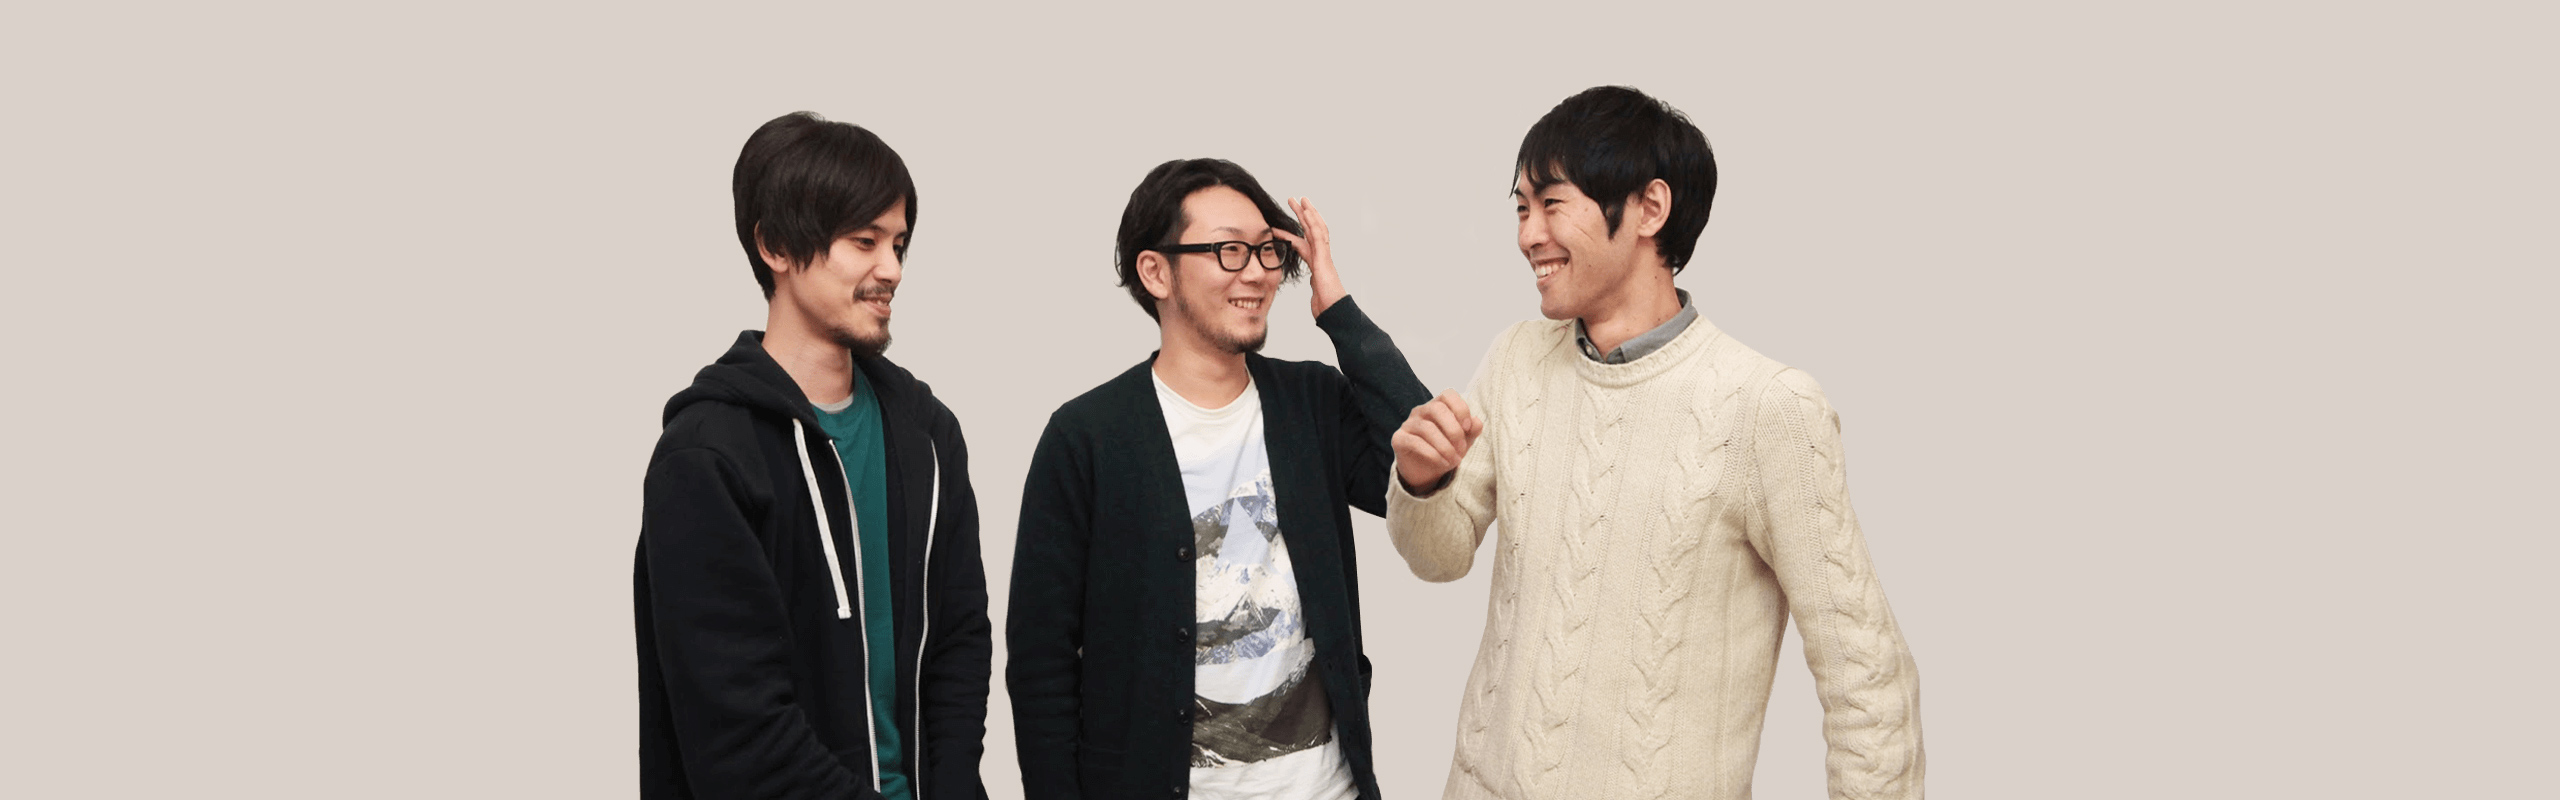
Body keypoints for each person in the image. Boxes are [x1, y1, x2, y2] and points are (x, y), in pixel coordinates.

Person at [1384, 86, 1925, 799]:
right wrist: (1423, 483)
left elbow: (1866, 676)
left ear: (1650, 208)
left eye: (1552, 203)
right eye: (1520, 208)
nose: (1528, 235)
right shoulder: (1515, 358)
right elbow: (1439, 558)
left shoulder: (1768, 407)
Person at [1006, 159, 1429, 800]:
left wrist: (1338, 310)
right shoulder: (1086, 437)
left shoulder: (1311, 401)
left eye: (1266, 250)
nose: (1256, 272)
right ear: (1156, 272)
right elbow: (1042, 662)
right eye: (1229, 250)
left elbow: (1423, 458)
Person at [635, 111, 990, 800]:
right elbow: (739, 734)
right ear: (775, 246)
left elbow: (959, 643)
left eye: (899, 244)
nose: (891, 269)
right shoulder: (705, 458)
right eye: (864, 242)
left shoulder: (927, 433)